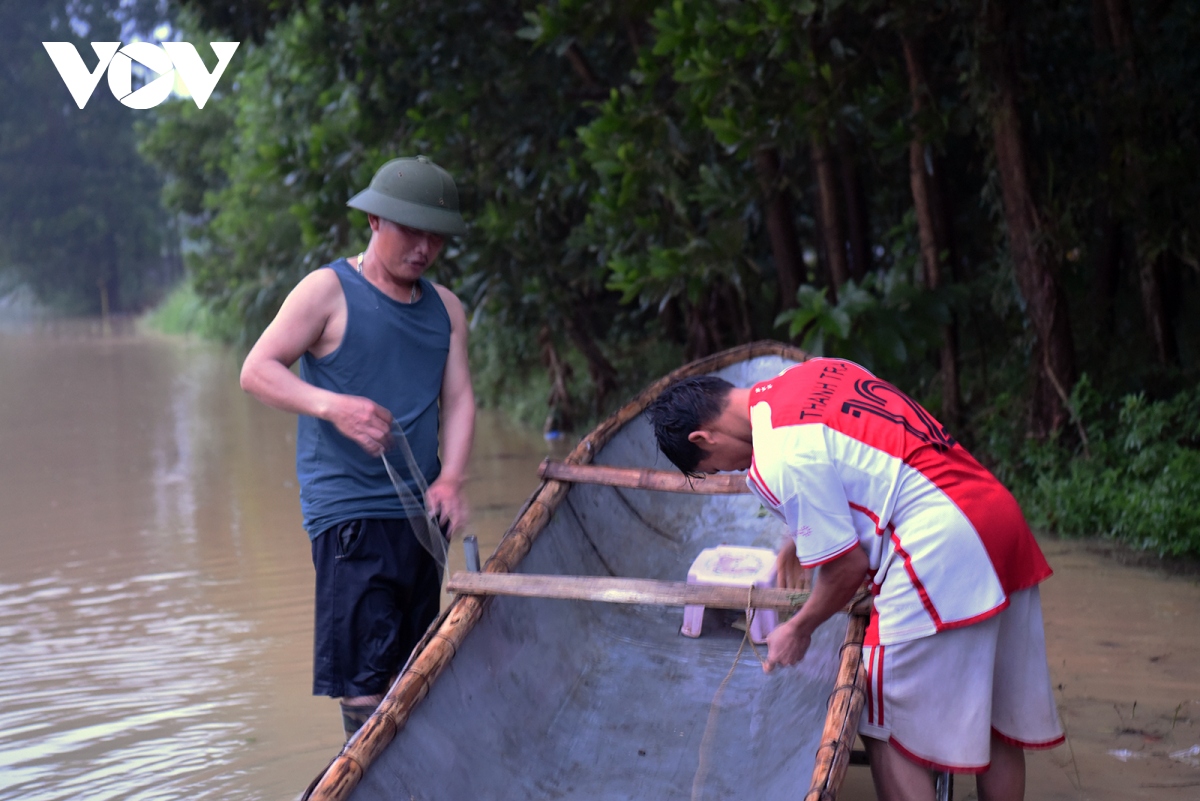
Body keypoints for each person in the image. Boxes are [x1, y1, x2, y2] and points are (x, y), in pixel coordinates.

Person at [646, 359, 1063, 801]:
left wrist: (798, 628)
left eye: (713, 466)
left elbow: (847, 569)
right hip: (995, 515)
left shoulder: (779, 457)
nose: (728, 471)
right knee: (994, 721)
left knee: (881, 721)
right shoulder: (813, 373)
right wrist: (796, 536)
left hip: (938, 548)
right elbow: (856, 460)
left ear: (703, 438)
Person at [240, 155, 475, 740]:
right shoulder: (327, 291)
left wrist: (452, 479)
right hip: (349, 513)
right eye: (409, 231)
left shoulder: (446, 309)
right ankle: (366, 771)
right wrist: (332, 406)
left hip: (422, 511)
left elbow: (462, 397)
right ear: (373, 221)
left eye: (435, 237)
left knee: (414, 661)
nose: (422, 248)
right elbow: (257, 370)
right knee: (365, 677)